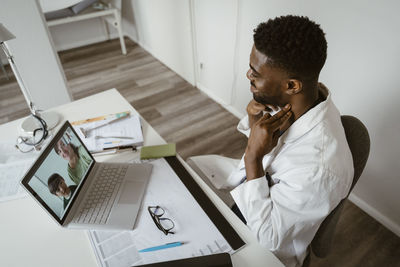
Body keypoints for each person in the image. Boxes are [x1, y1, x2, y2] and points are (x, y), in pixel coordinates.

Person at [222, 15, 354, 267]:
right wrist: (254, 120)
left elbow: (268, 238)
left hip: (264, 251)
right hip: (248, 201)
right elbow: (269, 151)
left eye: (256, 73)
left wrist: (253, 157)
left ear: (292, 85)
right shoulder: (301, 101)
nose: (248, 75)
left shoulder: (320, 167)